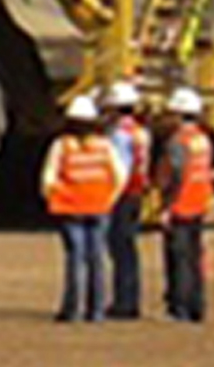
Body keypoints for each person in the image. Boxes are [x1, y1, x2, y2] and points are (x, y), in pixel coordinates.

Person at [39, 95, 124, 322]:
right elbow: (119, 175)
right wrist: (110, 199)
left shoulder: (62, 145)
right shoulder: (104, 145)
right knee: (97, 258)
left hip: (70, 208)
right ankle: (96, 310)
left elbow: (48, 178)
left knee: (75, 258)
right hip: (99, 207)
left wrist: (53, 199)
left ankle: (73, 309)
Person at [158, 85, 214, 325]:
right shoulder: (202, 139)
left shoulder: (178, 142)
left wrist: (166, 206)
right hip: (199, 202)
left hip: (181, 205)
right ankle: (197, 305)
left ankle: (180, 307)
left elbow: (176, 175)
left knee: (180, 259)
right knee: (195, 258)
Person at [102, 77, 150, 321]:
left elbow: (119, 169)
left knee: (120, 250)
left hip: (122, 195)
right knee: (129, 250)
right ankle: (130, 299)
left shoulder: (118, 135)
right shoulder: (141, 132)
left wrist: (108, 198)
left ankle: (125, 302)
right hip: (137, 193)